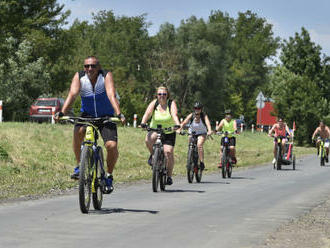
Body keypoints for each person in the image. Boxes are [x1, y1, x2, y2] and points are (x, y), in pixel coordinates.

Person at [55, 56, 125, 194]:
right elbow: (73, 94)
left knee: (111, 145)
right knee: (78, 133)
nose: (89, 69)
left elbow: (111, 95)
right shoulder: (80, 77)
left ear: (98, 67)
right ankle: (79, 166)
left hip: (106, 115)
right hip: (87, 114)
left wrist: (118, 113)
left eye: (93, 66)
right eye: (86, 66)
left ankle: (109, 176)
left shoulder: (105, 76)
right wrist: (62, 112)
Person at [140, 86, 180, 185]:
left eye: (164, 94)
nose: (162, 96)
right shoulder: (154, 103)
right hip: (155, 129)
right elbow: (147, 114)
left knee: (168, 152)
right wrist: (143, 123)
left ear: (167, 95)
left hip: (169, 131)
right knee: (148, 139)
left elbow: (174, 115)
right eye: (159, 94)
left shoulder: (171, 103)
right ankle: (154, 155)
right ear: (157, 95)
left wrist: (177, 125)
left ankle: (169, 176)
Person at [180, 102, 212, 170]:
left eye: (198, 108)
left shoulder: (204, 116)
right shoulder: (191, 115)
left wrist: (209, 130)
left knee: (199, 145)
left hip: (202, 133)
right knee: (190, 146)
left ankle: (201, 162)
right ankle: (189, 160)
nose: (197, 110)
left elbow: (208, 123)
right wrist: (180, 129)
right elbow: (184, 122)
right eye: (195, 108)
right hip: (192, 133)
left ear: (201, 109)